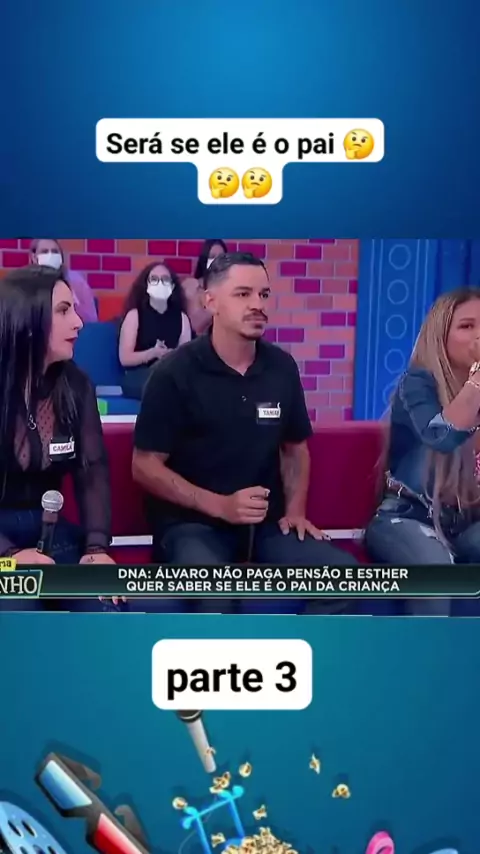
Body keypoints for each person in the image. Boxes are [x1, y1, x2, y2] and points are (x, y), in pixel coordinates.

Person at [132, 252, 357, 615]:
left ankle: (298, 651)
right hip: (193, 526)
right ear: (211, 301)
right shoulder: (174, 373)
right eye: (243, 294)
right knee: (217, 592)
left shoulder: (281, 367)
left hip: (265, 527)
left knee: (345, 577)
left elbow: (295, 448)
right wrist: (218, 505)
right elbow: (144, 466)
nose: (257, 305)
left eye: (264, 295)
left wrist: (295, 511)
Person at [0, 266, 115, 611]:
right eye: (63, 311)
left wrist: (96, 549)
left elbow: (92, 471)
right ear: (27, 320)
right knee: (19, 605)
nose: (78, 323)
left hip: (49, 531)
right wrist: (9, 555)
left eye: (75, 310)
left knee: (103, 603)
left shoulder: (77, 385)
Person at [365, 286, 480, 616]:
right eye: (467, 326)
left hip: (467, 521)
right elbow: (442, 437)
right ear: (440, 337)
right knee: (436, 575)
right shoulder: (416, 384)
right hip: (406, 517)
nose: (478, 336)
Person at [118, 262, 192, 400]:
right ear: (146, 285)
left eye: (165, 279)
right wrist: (153, 353)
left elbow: (186, 358)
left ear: (172, 286)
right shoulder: (135, 315)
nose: (160, 283)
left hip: (171, 373)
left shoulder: (182, 318)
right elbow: (125, 358)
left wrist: (170, 355)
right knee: (160, 385)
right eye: (154, 279)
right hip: (139, 376)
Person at [30, 238, 98, 324]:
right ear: (34, 257)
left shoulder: (76, 281)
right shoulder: (27, 283)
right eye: (44, 252)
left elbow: (91, 321)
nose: (50, 255)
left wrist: (74, 305)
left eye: (55, 251)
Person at [182, 239, 228, 335]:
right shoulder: (194, 287)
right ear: (205, 259)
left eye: (221, 257)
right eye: (212, 256)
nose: (216, 261)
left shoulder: (231, 287)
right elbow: (195, 325)